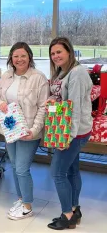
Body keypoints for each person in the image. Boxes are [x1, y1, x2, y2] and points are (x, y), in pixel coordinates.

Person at [0, 42, 49, 220]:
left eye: (23, 56)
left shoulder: (38, 78)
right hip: (10, 129)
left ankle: (27, 206)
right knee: (14, 166)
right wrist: (0, 103)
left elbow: (43, 107)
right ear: (11, 58)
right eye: (16, 56)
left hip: (28, 132)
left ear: (29, 57)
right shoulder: (6, 76)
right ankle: (21, 199)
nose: (19, 59)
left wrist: (34, 131)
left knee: (21, 169)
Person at [47, 37, 93, 230]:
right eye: (52, 53)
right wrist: (52, 105)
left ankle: (67, 216)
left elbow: (73, 108)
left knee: (57, 173)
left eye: (59, 52)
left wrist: (68, 137)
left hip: (73, 132)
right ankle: (74, 209)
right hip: (66, 128)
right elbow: (63, 105)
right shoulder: (62, 72)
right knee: (72, 171)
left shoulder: (77, 73)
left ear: (69, 51)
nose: (55, 56)